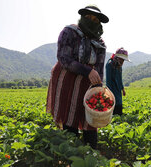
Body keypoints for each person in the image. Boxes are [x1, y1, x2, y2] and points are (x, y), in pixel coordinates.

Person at [46, 5, 109, 149]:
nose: (92, 21)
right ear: (82, 17)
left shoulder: (100, 43)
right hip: (66, 79)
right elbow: (64, 58)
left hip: (87, 83)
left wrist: (99, 89)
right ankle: (71, 151)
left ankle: (91, 152)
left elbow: (99, 68)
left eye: (95, 19)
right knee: (69, 115)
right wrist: (87, 70)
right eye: (88, 18)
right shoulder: (70, 32)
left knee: (90, 121)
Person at [105, 48, 130, 116]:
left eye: (123, 60)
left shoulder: (119, 66)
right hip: (112, 89)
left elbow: (120, 78)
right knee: (113, 107)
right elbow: (108, 81)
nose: (122, 61)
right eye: (121, 59)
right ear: (117, 57)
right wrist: (109, 94)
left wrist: (123, 88)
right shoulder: (109, 64)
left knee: (119, 107)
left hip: (118, 90)